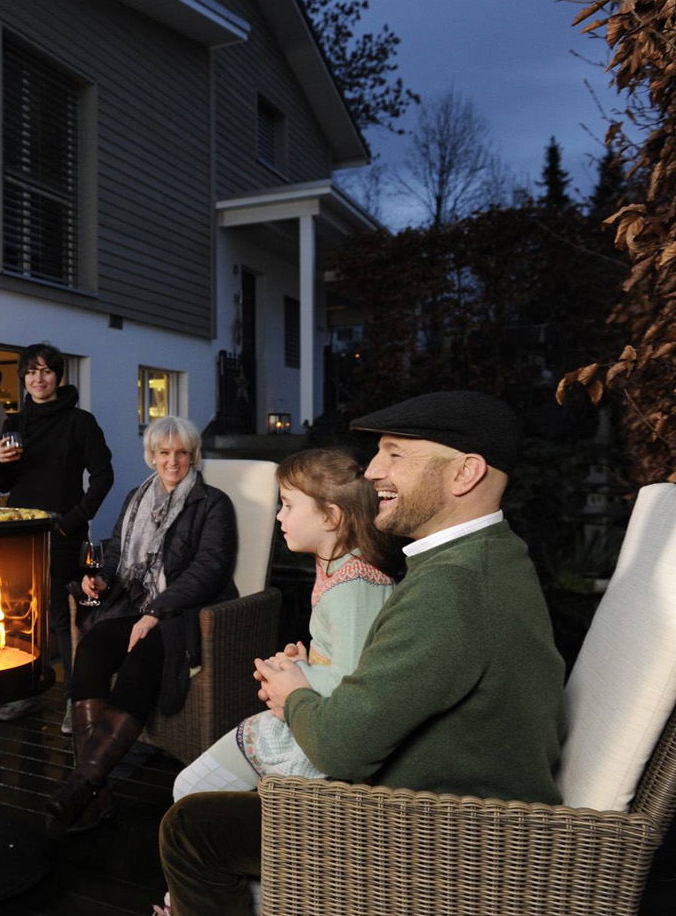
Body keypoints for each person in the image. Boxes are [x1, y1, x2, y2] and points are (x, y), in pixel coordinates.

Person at [158, 391, 566, 915]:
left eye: (395, 454)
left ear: (465, 474)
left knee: (192, 831)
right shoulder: (492, 557)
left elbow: (340, 747)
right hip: (446, 806)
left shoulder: (452, 586)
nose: (372, 471)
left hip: (435, 837)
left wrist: (294, 693)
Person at [46, 416, 237, 835]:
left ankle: (81, 785)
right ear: (152, 456)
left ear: (193, 456)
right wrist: (99, 579)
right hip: (135, 606)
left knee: (141, 657)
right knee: (93, 646)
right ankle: (96, 794)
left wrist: (157, 612)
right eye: (164, 453)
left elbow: (209, 570)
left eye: (182, 453)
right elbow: (115, 555)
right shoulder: (137, 498)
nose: (173, 461)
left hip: (188, 615)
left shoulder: (213, 504)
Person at [171, 447, 398, 800]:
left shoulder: (353, 587)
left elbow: (354, 683)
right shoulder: (339, 570)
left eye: (289, 505)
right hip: (314, 710)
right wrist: (302, 663)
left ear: (331, 518)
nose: (279, 516)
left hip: (322, 731)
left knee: (190, 790)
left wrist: (294, 677)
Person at [0, 342, 114, 731]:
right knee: (20, 614)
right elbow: (2, 481)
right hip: (19, 530)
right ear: (23, 379)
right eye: (30, 372)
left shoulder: (81, 422)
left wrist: (72, 520)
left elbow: (103, 477)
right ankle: (27, 690)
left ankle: (75, 703)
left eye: (45, 371)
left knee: (64, 617)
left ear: (58, 377)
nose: (37, 379)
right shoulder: (15, 424)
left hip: (62, 530)